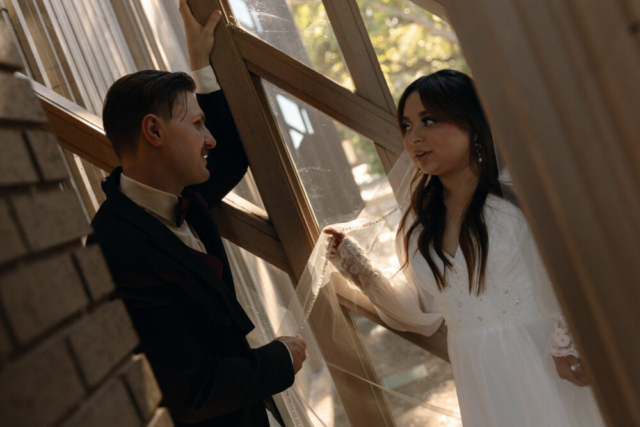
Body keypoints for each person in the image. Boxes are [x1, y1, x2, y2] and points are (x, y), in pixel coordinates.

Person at [324, 70, 604, 426]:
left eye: (428, 120)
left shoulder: (520, 196)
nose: (415, 137)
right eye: (407, 126)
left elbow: (578, 266)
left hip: (546, 358)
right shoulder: (419, 224)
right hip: (480, 373)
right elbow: (419, 310)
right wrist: (357, 266)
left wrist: (569, 343)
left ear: (471, 124)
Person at [87, 3, 306, 426]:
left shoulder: (185, 195)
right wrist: (278, 360)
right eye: (198, 124)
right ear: (153, 132)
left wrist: (200, 62)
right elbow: (193, 391)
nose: (209, 139)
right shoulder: (113, 248)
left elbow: (230, 155)